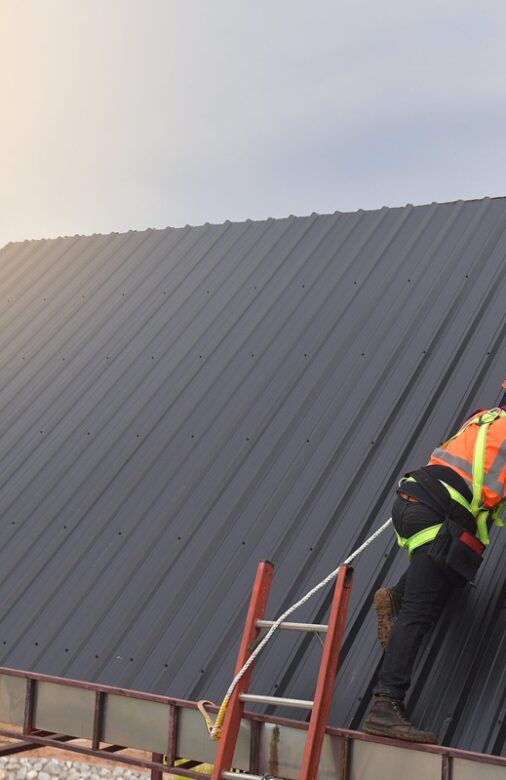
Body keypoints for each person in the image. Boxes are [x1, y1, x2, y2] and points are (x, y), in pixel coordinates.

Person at [363, 397, 506, 744]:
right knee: (420, 613)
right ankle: (386, 704)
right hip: (435, 511)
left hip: (414, 500)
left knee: (446, 565)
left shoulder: (486, 419)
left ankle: (396, 594)